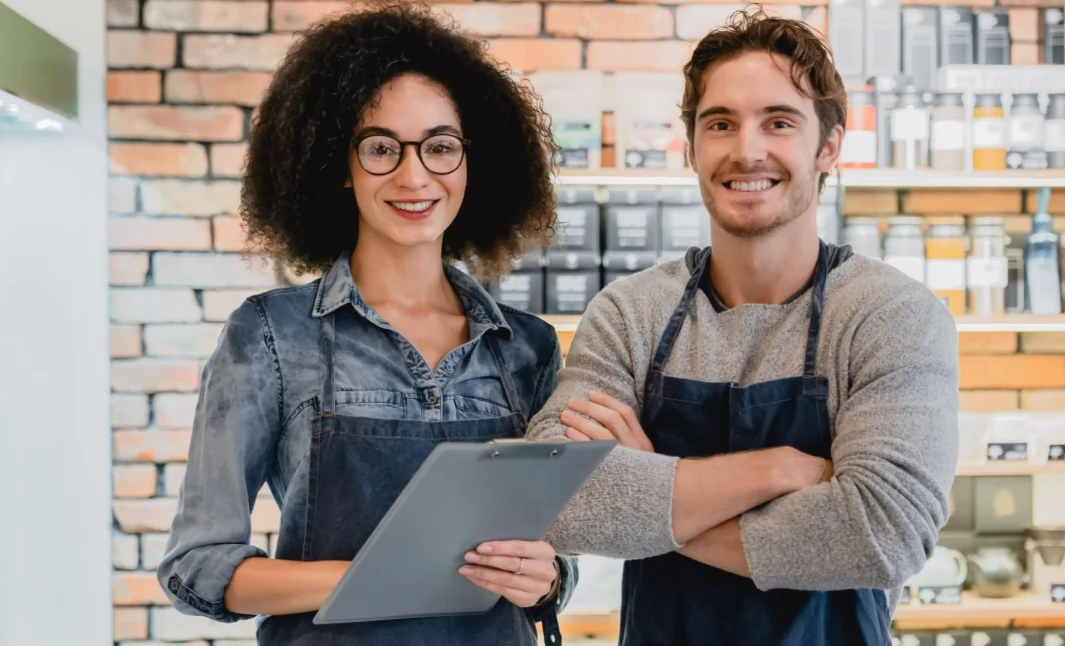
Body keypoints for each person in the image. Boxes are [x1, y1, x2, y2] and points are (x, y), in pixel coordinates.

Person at [527, 8, 960, 645]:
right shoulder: (630, 314)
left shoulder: (888, 315)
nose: (746, 150)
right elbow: (548, 492)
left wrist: (656, 487)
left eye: (778, 122)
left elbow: (883, 530)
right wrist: (781, 470)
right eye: (720, 123)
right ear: (692, 147)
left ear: (829, 146)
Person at [156, 3, 575, 644]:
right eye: (381, 148)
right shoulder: (271, 335)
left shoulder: (528, 348)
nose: (414, 175)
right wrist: (379, 577)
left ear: (471, 161)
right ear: (339, 168)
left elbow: (554, 558)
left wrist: (546, 579)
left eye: (440, 147)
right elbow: (197, 565)